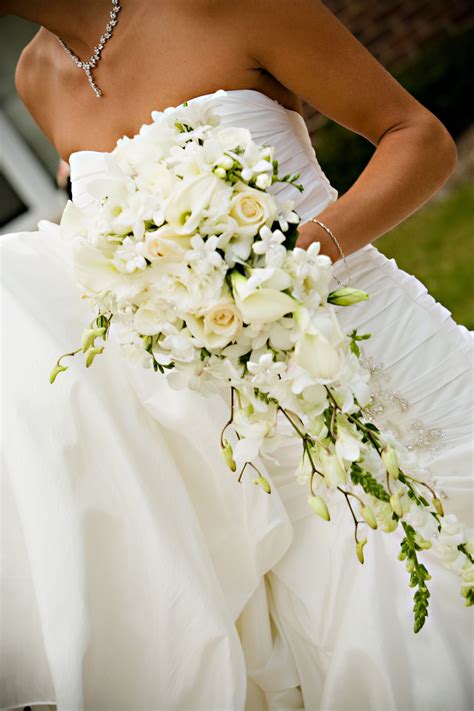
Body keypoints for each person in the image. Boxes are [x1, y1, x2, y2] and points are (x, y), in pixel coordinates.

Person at [1, 1, 472, 710]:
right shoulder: (36, 79)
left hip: (395, 368)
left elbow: (420, 138)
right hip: (279, 458)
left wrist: (294, 262)